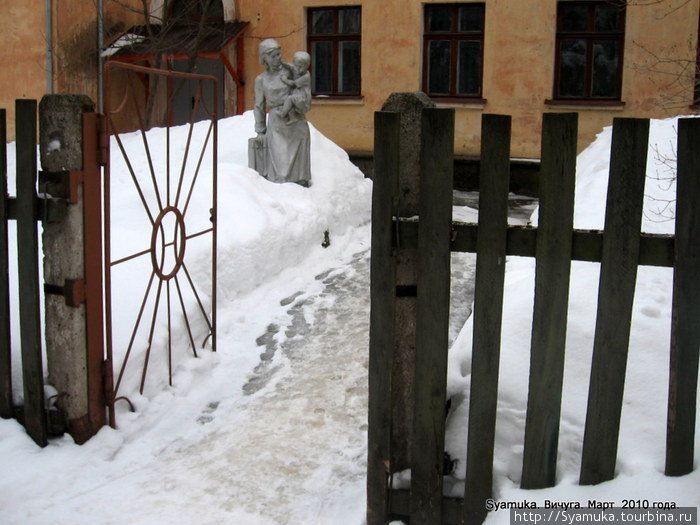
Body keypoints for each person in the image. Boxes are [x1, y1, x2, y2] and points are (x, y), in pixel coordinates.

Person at [250, 39, 311, 187]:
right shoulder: (261, 80)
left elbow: (304, 87)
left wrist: (301, 100)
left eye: (279, 54)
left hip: (296, 119)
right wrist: (260, 131)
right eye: (274, 56)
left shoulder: (292, 71)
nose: (279, 58)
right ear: (265, 59)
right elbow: (259, 106)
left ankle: (302, 189)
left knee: (299, 173)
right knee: (281, 171)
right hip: (277, 123)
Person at [280, 51, 311, 125]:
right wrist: (281, 62)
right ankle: (293, 118)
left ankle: (282, 114)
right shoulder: (295, 68)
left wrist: (285, 79)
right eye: (296, 65)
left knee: (290, 99)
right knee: (289, 100)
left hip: (303, 100)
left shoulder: (306, 77)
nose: (296, 68)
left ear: (306, 66)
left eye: (300, 67)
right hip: (296, 97)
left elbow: (292, 84)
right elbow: (289, 66)